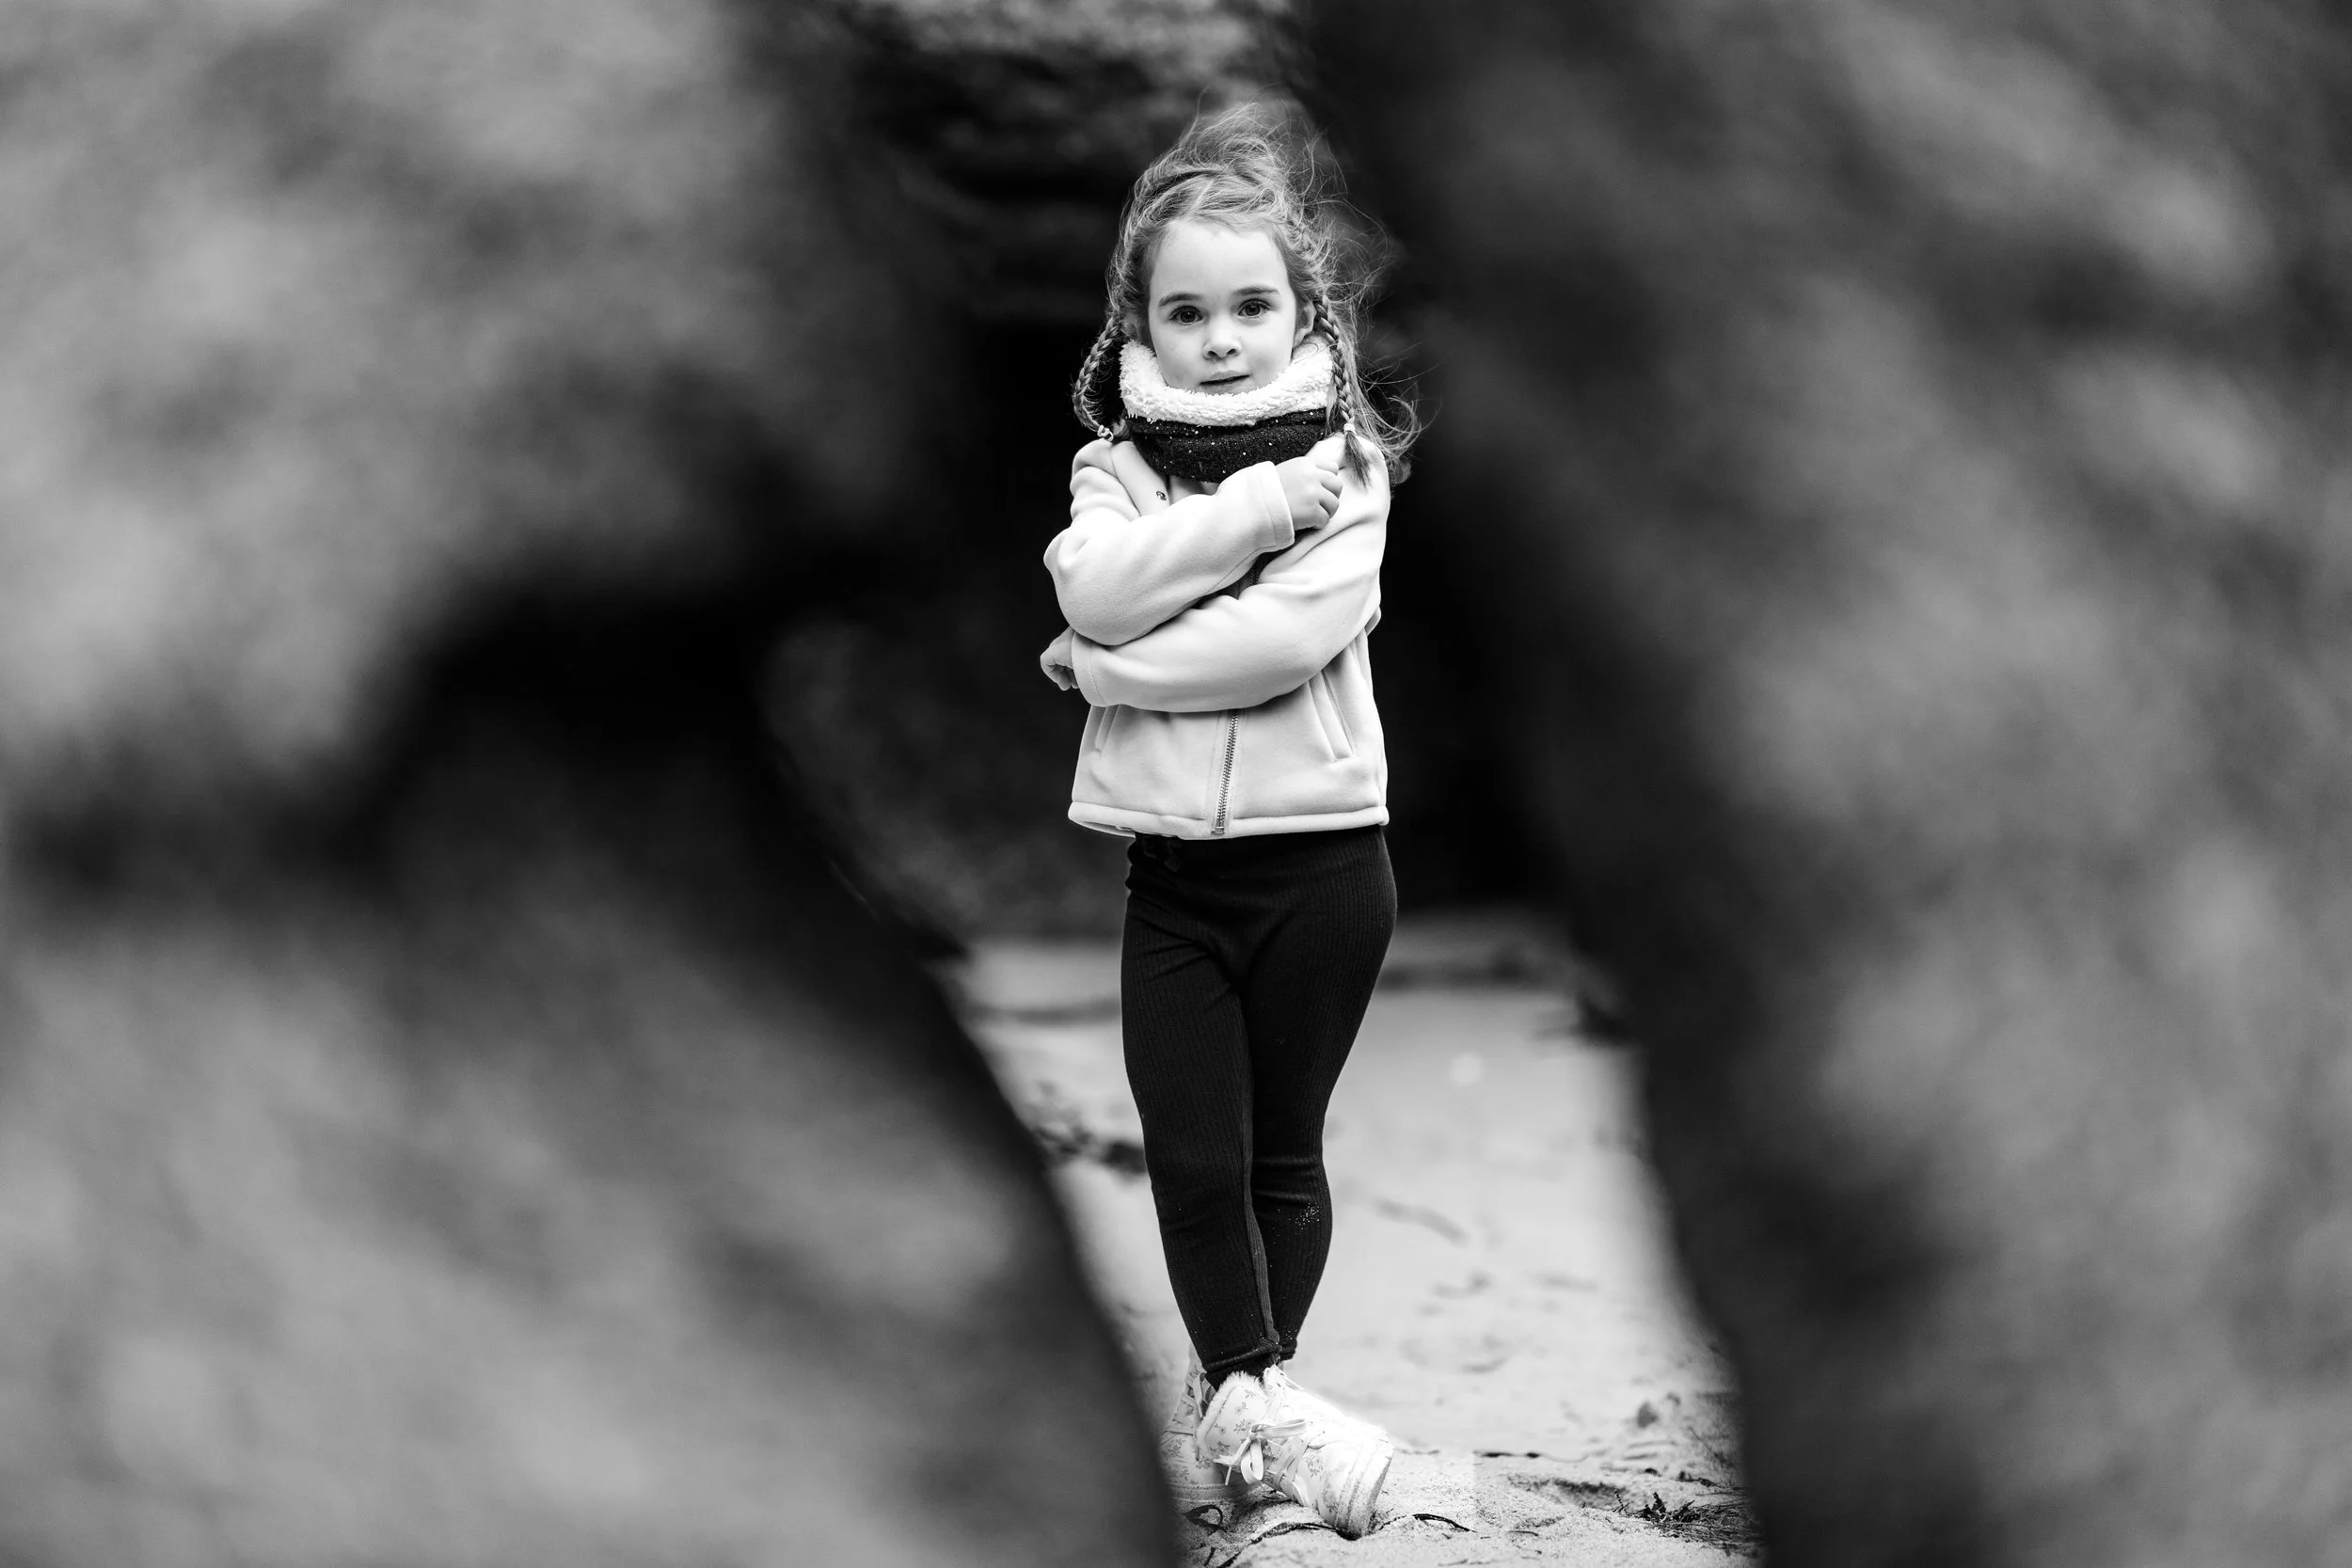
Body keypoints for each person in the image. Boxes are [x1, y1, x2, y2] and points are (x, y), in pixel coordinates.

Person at [1038, 103, 1421, 1540]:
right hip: (1176, 888)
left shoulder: (1349, 471)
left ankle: (1241, 1403)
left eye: (1250, 307)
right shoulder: (1115, 474)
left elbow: (1270, 649)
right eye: (1185, 311)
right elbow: (1093, 587)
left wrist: (1110, 669)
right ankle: (1265, 1414)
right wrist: (1251, 513)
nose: (1218, 339)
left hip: (1327, 877)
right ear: (1137, 324)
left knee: (1279, 1162)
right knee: (1193, 1160)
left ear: (1302, 314)